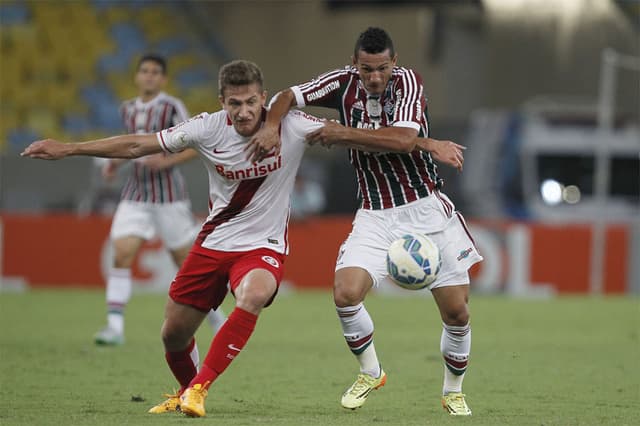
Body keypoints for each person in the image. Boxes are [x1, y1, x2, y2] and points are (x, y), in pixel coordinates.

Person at [22, 59, 326, 418]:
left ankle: (199, 388)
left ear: (263, 98)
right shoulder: (206, 127)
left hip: (263, 245)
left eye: (250, 103)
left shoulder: (294, 125)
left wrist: (403, 140)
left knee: (254, 293)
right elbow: (138, 146)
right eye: (234, 104)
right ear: (221, 102)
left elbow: (343, 134)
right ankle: (185, 391)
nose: (244, 112)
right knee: (173, 334)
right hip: (214, 241)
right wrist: (70, 148)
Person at [248, 27, 481, 416]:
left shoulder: (409, 82)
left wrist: (342, 133)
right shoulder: (341, 83)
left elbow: (404, 140)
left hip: (425, 209)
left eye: (382, 69)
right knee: (345, 293)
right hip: (375, 213)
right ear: (354, 65)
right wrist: (272, 124)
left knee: (457, 313)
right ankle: (371, 372)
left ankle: (453, 390)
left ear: (395, 62)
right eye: (367, 69)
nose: (375, 78)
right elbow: (286, 96)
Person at [93, 53, 226, 346]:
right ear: (137, 76)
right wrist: (114, 163)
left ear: (163, 78)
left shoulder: (171, 106)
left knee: (185, 262)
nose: (150, 76)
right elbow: (130, 144)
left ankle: (217, 319)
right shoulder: (127, 109)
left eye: (155, 72)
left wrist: (167, 163)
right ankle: (114, 327)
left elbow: (197, 142)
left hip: (169, 197)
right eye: (145, 71)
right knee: (121, 254)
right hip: (135, 194)